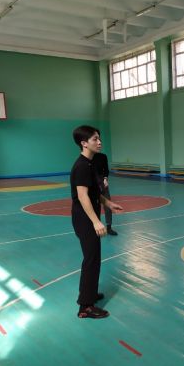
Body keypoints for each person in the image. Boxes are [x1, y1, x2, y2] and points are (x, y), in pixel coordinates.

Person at [71, 125, 123, 319]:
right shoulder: (82, 166)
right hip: (84, 218)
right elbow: (82, 196)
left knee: (94, 258)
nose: (99, 142)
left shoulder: (91, 163)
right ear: (84, 143)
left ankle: (90, 294)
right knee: (91, 260)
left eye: (99, 138)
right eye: (95, 139)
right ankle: (85, 307)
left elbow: (93, 192)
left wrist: (108, 203)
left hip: (89, 216)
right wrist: (95, 221)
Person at [93, 150, 117, 236]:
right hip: (92, 182)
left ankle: (109, 227)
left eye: (100, 142)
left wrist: (105, 179)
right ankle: (95, 226)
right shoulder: (88, 157)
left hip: (102, 182)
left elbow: (106, 169)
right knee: (94, 205)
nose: (99, 144)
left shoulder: (103, 156)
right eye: (96, 142)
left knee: (107, 205)